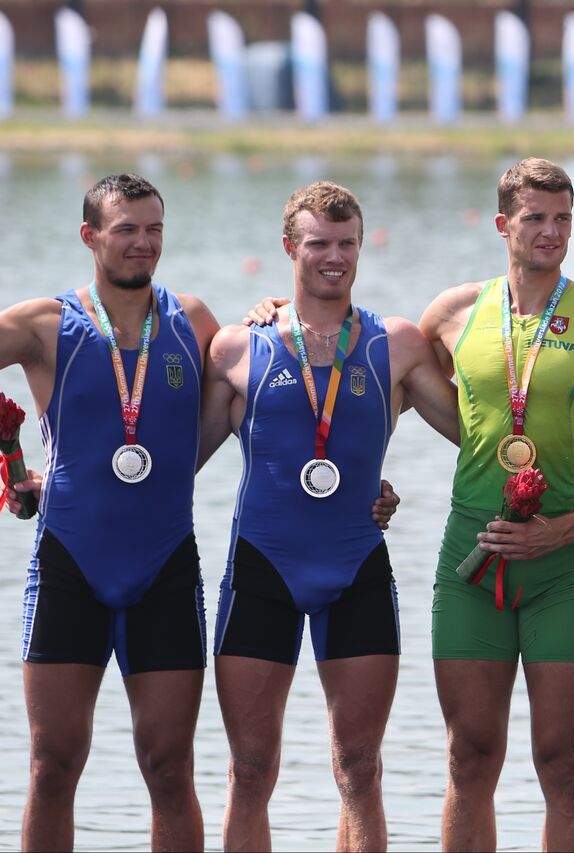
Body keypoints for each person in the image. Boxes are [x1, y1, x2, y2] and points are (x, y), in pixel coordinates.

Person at [0, 174, 218, 851]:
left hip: (166, 569)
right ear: (90, 237)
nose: (142, 243)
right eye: (126, 230)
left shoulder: (195, 323)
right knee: (53, 767)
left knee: (169, 767)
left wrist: (272, 312)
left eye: (154, 229)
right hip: (71, 568)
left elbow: (264, 390)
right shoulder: (46, 327)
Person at [418, 157, 574, 851]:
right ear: (504, 224)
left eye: (563, 219)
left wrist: (564, 526)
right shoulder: (452, 313)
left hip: (564, 570)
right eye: (535, 218)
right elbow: (410, 385)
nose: (551, 232)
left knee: (562, 761)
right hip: (470, 563)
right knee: (469, 756)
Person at [201, 181, 459, 852]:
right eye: (318, 243)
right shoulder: (236, 348)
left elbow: (477, 430)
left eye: (346, 244)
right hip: (262, 569)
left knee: (361, 769)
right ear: (290, 247)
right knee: (251, 770)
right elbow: (170, 464)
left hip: (356, 569)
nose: (333, 257)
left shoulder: (396, 343)